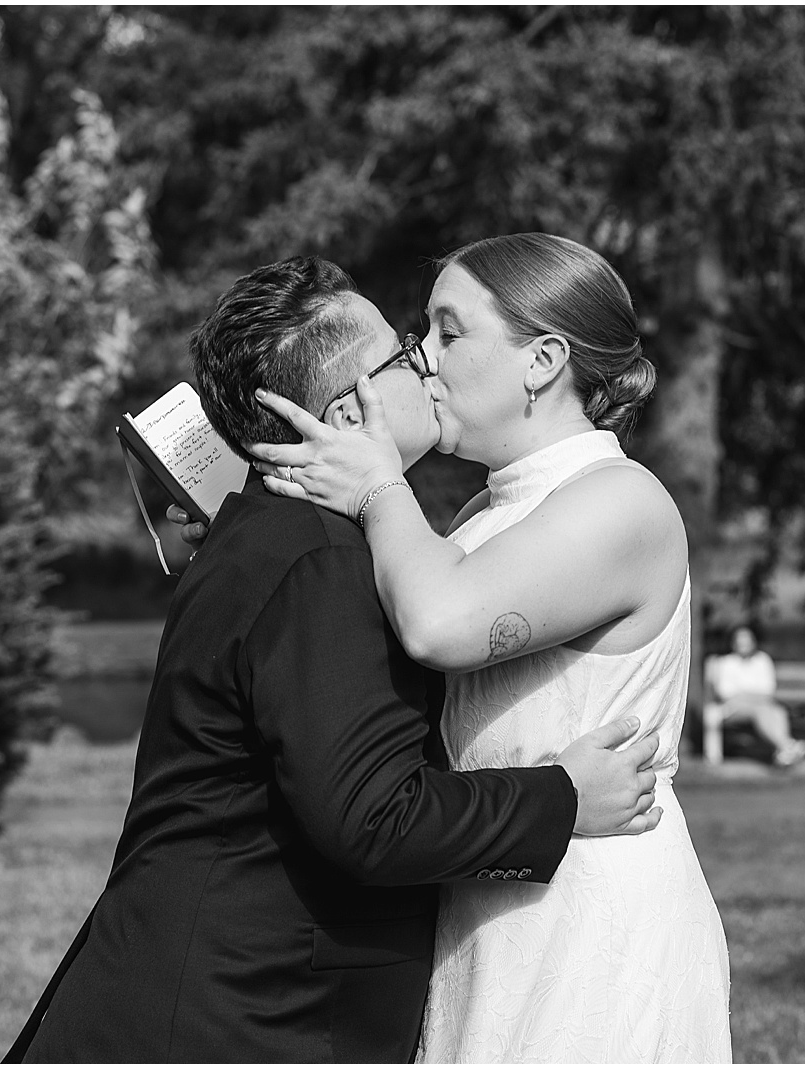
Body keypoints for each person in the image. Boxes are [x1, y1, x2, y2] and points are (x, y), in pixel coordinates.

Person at [5, 256, 664, 1063]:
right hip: (236, 1019)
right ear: (352, 409)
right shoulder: (321, 557)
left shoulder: (291, 538)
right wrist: (561, 798)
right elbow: (374, 817)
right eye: (403, 352)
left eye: (438, 336)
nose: (424, 360)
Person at [248, 233, 732, 1062]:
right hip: (491, 903)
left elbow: (441, 624)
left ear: (542, 359)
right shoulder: (482, 514)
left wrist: (376, 487)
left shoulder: (622, 499)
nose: (421, 356)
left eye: (449, 330)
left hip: (591, 922)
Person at [703, 623, 805, 768]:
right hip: (731, 710)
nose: (743, 643)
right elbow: (726, 694)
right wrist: (753, 696)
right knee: (762, 710)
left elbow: (768, 691)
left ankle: (785, 749)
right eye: (739, 640)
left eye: (746, 639)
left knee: (777, 711)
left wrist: (743, 694)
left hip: (762, 706)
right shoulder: (726, 663)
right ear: (732, 642)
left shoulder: (762, 660)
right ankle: (788, 745)